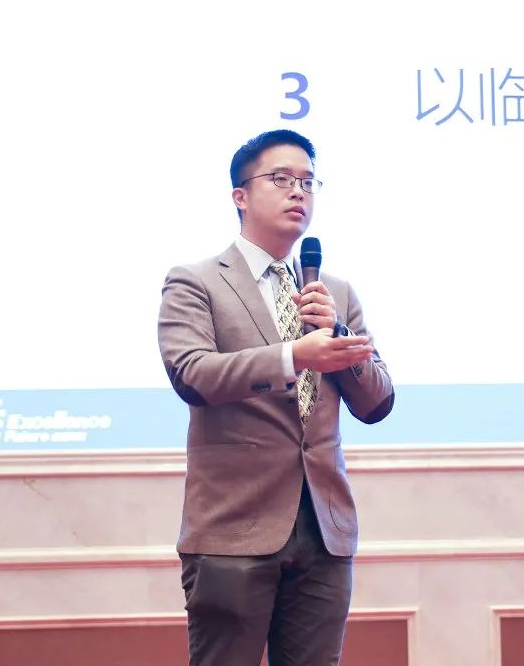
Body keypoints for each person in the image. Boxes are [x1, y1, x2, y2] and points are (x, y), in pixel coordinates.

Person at [157, 128, 395, 665]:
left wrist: (337, 337)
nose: (298, 192)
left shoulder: (335, 293)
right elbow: (192, 374)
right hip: (234, 530)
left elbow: (377, 403)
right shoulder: (195, 282)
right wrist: (294, 356)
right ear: (240, 195)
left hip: (324, 530)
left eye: (308, 182)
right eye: (282, 179)